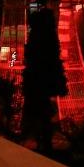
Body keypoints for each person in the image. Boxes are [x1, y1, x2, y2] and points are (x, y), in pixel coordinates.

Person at [21, 8, 67, 151]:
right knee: (43, 111)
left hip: (36, 80)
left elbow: (31, 59)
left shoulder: (35, 38)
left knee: (36, 110)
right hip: (44, 81)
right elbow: (53, 59)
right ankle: (44, 140)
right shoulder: (50, 39)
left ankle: (37, 138)